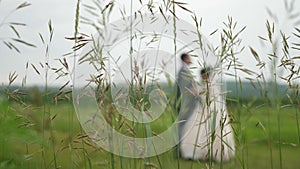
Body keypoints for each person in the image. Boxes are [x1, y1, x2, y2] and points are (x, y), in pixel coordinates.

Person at [180, 67, 235, 162]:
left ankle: (213, 152)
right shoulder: (204, 84)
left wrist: (196, 92)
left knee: (211, 129)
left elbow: (208, 96)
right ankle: (201, 152)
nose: (201, 77)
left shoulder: (210, 85)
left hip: (211, 109)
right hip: (202, 108)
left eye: (202, 75)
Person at [176, 53, 199, 146]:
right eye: (189, 58)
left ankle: (184, 145)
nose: (191, 59)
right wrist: (195, 92)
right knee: (184, 124)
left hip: (187, 102)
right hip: (185, 103)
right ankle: (181, 146)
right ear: (185, 59)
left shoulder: (185, 70)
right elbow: (185, 88)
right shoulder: (183, 71)